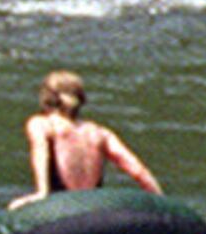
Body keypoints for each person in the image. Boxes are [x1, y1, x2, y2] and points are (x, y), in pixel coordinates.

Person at [20, 70, 161, 201]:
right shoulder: (100, 133)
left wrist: (42, 192)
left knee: (14, 207)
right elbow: (136, 169)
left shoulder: (42, 124)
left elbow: (41, 154)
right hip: (92, 204)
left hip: (61, 203)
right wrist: (158, 198)